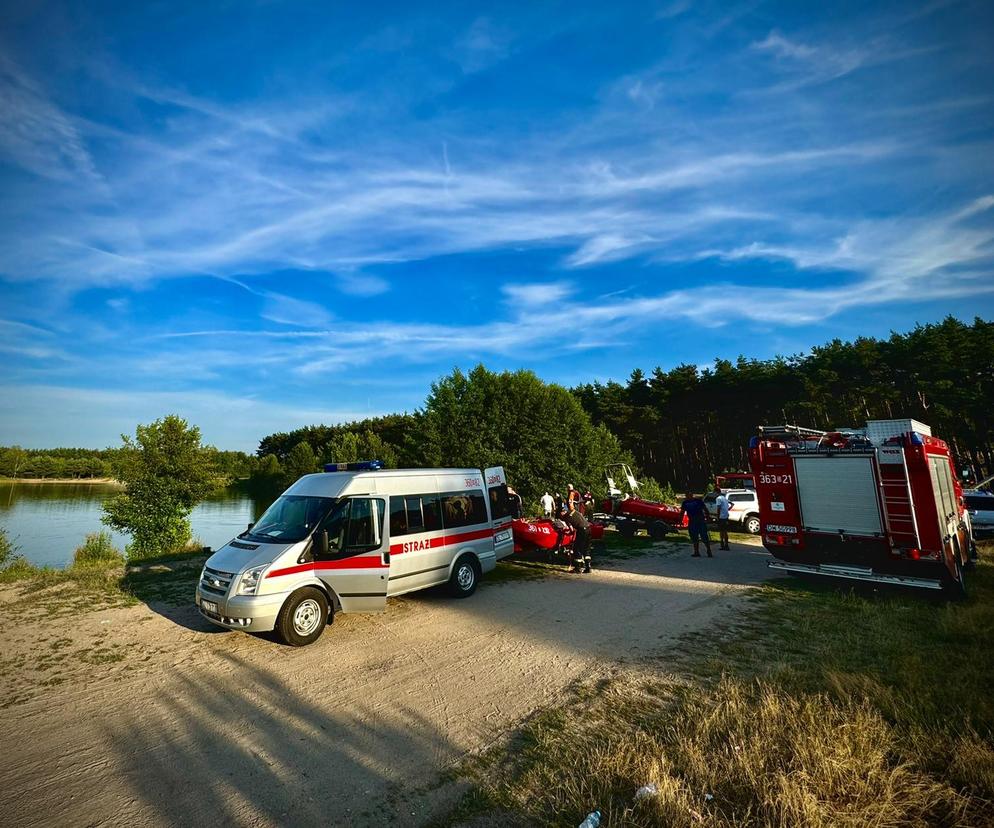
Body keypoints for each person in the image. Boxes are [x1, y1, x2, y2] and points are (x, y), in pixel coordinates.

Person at [680, 491, 713, 557]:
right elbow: (682, 512)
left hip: (700, 520)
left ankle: (708, 550)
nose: (688, 497)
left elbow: (705, 509)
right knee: (694, 536)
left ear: (691, 495)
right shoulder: (686, 503)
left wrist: (708, 517)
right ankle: (696, 552)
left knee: (703, 536)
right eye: (687, 496)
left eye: (689, 495)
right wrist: (680, 520)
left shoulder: (697, 501)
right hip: (693, 520)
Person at [566, 501, 592, 573]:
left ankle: (578, 568)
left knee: (577, 548)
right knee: (586, 548)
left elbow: (571, 529)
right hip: (588, 529)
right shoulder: (576, 512)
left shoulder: (567, 517)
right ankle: (588, 567)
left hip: (582, 530)